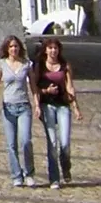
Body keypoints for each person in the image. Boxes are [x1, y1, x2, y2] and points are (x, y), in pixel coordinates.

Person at [31, 37, 83, 189]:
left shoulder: (65, 65)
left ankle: (65, 166)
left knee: (65, 142)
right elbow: (35, 87)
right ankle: (54, 178)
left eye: (55, 48)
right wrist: (44, 93)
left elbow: (70, 87)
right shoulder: (40, 66)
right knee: (52, 143)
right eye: (50, 48)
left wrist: (76, 107)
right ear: (45, 50)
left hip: (63, 106)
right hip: (47, 105)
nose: (53, 51)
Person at [0, 35, 36, 186]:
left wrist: (37, 103)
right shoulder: (1, 64)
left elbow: (33, 85)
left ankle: (29, 173)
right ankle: (16, 175)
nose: (13, 49)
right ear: (6, 49)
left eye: (16, 46)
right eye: (11, 46)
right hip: (8, 107)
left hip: (24, 106)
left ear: (19, 48)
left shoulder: (26, 64)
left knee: (26, 140)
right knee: (11, 144)